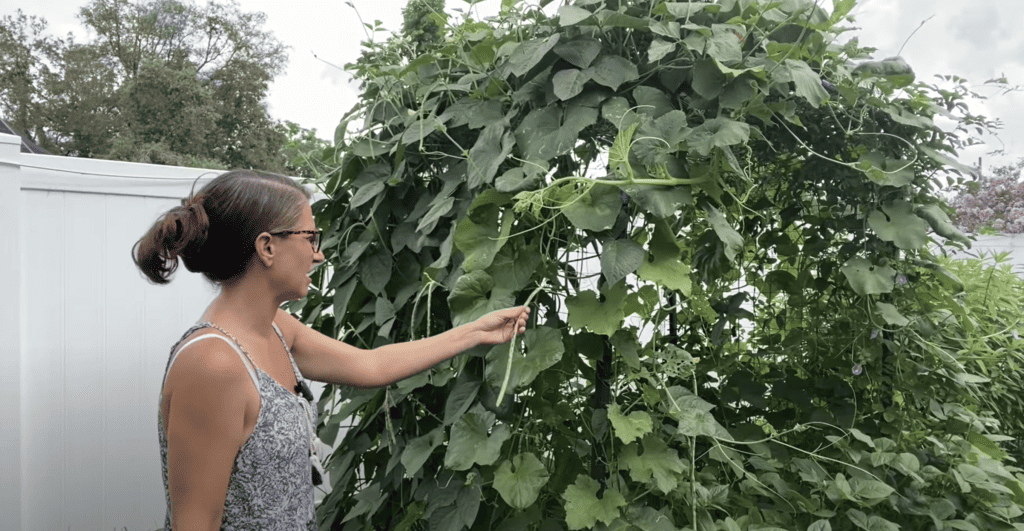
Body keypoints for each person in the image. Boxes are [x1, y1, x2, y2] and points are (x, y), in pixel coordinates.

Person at [133, 169, 530, 531]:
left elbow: (370, 365)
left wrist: (474, 332)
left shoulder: (275, 329)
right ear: (267, 247)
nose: (318, 253)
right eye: (309, 237)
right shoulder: (213, 364)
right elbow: (195, 523)